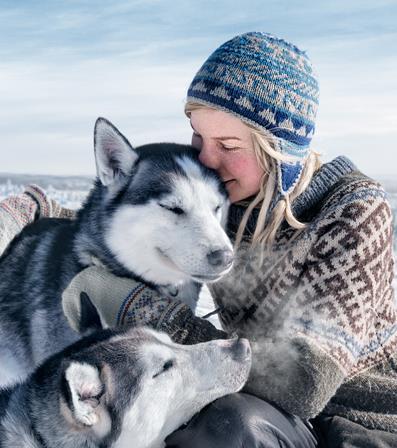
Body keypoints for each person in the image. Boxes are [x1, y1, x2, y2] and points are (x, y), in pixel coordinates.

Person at [1, 32, 396, 447]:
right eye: (198, 137)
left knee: (228, 424)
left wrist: (139, 306)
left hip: (362, 424)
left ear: (280, 153)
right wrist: (21, 209)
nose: (205, 160)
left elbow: (305, 383)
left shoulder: (352, 211)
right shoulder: (232, 198)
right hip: (269, 407)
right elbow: (106, 218)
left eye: (227, 144)